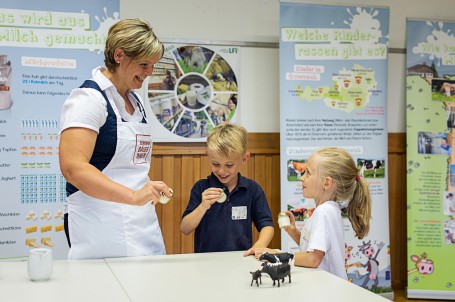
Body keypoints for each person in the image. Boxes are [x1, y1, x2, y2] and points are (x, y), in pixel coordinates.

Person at [59, 18, 172, 260]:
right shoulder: (87, 99)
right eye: (144, 64)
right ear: (119, 55)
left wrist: (145, 192)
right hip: (99, 224)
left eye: (153, 65)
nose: (149, 73)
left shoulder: (136, 102)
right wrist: (132, 196)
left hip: (142, 223)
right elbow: (73, 168)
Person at [254, 147, 372, 280]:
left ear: (327, 183)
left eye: (308, 173)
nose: (301, 178)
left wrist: (277, 255)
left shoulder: (323, 212)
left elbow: (313, 259)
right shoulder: (328, 210)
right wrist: (293, 231)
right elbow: (314, 248)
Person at [180, 122, 274, 256]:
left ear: (244, 159)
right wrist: (202, 206)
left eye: (229, 165)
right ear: (208, 155)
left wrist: (259, 246)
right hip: (205, 263)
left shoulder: (252, 189)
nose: (222, 171)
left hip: (241, 260)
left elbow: (267, 225)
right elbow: (185, 228)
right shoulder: (201, 187)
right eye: (215, 164)